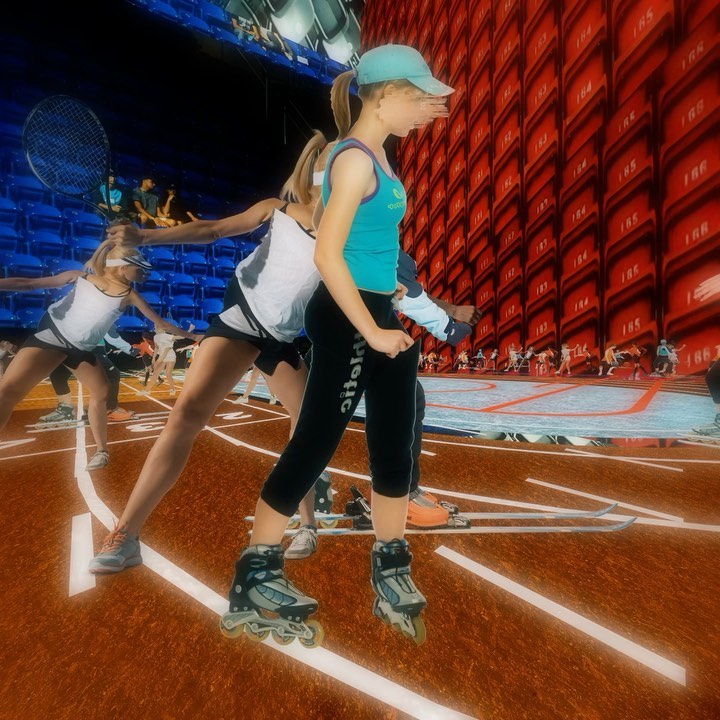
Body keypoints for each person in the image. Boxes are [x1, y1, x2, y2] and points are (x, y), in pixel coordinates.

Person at [213, 44, 454, 647]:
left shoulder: (378, 155)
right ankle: (255, 571)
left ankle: (391, 565)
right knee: (315, 440)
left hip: (376, 307)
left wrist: (383, 284)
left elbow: (346, 236)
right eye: (420, 98)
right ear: (386, 95)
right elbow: (325, 253)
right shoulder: (352, 160)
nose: (428, 110)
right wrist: (371, 327)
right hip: (351, 321)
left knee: (393, 443)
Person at [88, 128, 338, 576]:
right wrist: (144, 237)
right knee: (185, 415)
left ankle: (307, 524)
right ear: (327, 173)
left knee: (307, 430)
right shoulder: (278, 209)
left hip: (281, 337)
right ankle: (126, 535)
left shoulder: (347, 237)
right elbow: (214, 229)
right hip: (241, 321)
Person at [0, 243, 194, 470]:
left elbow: (161, 324)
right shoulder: (80, 277)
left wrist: (194, 336)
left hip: (80, 349)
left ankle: (102, 451)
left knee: (102, 391)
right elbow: (29, 284)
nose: (145, 274)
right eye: (140, 269)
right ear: (123, 268)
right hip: (52, 338)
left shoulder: (130, 295)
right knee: (7, 392)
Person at [39, 324, 140, 425]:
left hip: (67, 347)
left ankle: (65, 410)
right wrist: (131, 350)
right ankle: (108, 410)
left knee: (58, 375)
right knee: (112, 375)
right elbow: (112, 336)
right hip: (91, 349)